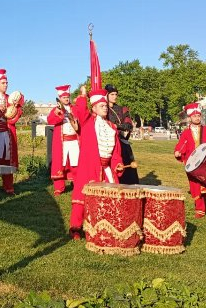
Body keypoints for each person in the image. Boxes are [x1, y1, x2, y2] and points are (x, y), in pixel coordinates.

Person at [69, 87, 123, 239]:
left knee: (110, 196)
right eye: (101, 106)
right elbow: (81, 111)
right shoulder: (87, 122)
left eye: (106, 105)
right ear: (94, 108)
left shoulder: (112, 127)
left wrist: (118, 164)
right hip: (89, 167)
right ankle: (75, 227)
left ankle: (105, 226)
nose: (105, 108)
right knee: (81, 198)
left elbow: (116, 152)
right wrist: (83, 95)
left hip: (107, 168)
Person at [46, 85, 80, 196]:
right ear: (60, 98)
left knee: (75, 163)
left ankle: (77, 184)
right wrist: (58, 113)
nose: (66, 99)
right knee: (60, 164)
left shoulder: (74, 108)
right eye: (64, 97)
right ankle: (59, 188)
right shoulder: (56, 109)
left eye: (67, 97)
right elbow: (50, 120)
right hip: (62, 142)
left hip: (74, 140)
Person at [105, 84, 139, 184]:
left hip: (121, 141)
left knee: (128, 171)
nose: (115, 96)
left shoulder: (122, 109)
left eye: (116, 94)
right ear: (106, 95)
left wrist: (116, 126)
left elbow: (129, 126)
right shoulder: (103, 108)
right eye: (112, 94)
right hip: (107, 142)